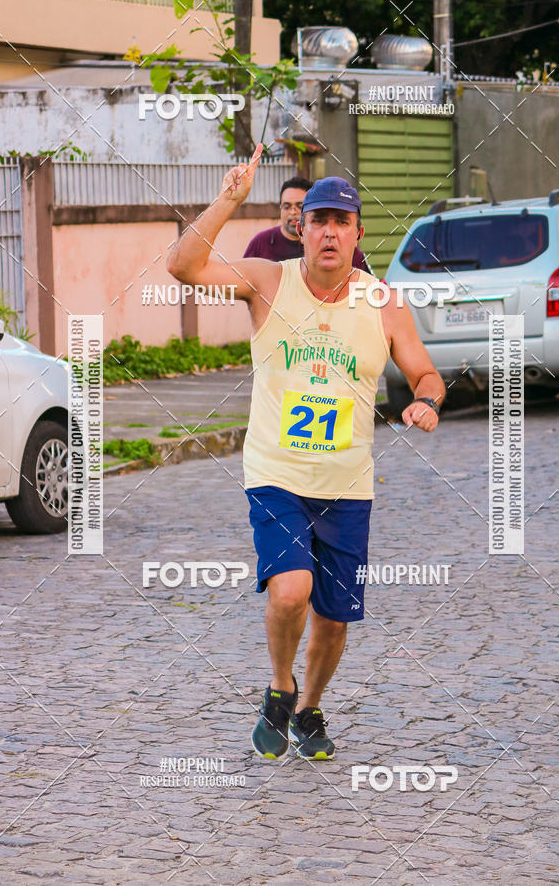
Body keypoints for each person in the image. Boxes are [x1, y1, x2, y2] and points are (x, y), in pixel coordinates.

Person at [167, 146, 445, 762]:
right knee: (291, 591)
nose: (328, 231)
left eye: (341, 221)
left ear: (356, 234)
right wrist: (229, 198)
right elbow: (184, 268)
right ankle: (278, 689)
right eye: (317, 219)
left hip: (348, 482)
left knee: (334, 618)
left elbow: (426, 374)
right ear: (302, 228)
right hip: (276, 474)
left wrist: (426, 401)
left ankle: (309, 707)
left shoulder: (384, 304)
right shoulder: (269, 280)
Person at [244, 176, 371, 273]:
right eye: (287, 206)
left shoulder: (346, 252)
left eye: (299, 206)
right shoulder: (260, 243)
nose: (293, 212)